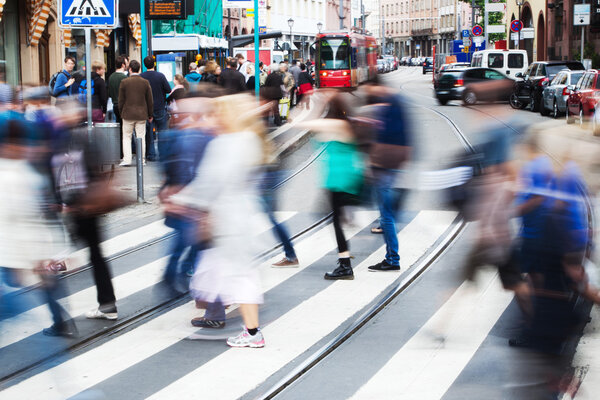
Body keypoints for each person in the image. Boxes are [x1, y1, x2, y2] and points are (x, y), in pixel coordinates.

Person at [166, 94, 269, 347]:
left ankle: (253, 333)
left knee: (240, 276)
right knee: (219, 271)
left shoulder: (225, 144)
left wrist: (180, 200)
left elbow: (210, 182)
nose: (210, 119)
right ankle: (218, 312)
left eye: (215, 114)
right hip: (239, 216)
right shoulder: (247, 140)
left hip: (228, 220)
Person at [299, 94, 366, 280]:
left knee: (335, 220)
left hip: (340, 179)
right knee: (335, 218)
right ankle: (344, 261)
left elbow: (304, 123)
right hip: (341, 178)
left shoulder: (337, 125)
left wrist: (318, 103)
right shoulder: (343, 125)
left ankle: (345, 265)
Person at [362, 78, 412, 272]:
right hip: (389, 166)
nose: (371, 95)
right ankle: (392, 257)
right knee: (386, 215)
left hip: (385, 167)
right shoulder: (394, 104)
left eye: (371, 91)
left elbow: (388, 137)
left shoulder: (391, 106)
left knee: (386, 216)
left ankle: (392, 259)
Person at [118, 60, 153, 166]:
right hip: (142, 114)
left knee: (127, 137)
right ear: (139, 69)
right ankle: (141, 160)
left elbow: (121, 100)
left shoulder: (124, 82)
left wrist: (121, 112)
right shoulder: (145, 82)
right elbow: (149, 100)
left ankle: (127, 159)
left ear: (130, 69)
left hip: (127, 114)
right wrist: (150, 114)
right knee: (141, 137)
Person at [140, 55, 171, 161]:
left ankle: (151, 154)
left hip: (146, 109)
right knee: (162, 132)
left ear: (144, 64)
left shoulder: (141, 76)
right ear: (154, 64)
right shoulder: (160, 76)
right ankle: (163, 154)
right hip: (160, 107)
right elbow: (168, 89)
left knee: (149, 133)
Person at [108, 55, 129, 157]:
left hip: (114, 105)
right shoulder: (124, 78)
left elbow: (109, 93)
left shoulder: (111, 77)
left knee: (118, 129)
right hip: (124, 106)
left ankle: (119, 152)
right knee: (125, 130)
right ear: (122, 65)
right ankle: (124, 152)